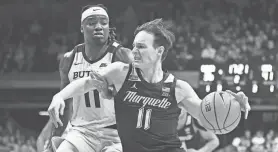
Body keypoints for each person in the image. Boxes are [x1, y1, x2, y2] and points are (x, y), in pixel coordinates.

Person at [47, 19, 251, 152]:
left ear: (159, 51)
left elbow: (208, 119)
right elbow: (85, 83)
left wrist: (232, 105)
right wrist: (59, 97)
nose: (134, 51)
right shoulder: (121, 72)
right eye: (134, 45)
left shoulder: (178, 88)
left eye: (141, 47)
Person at [37, 4, 132, 152]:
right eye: (92, 22)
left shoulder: (122, 55)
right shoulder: (69, 59)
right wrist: (53, 137)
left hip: (115, 133)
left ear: (109, 27)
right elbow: (66, 104)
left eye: (103, 22)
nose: (99, 26)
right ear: (82, 28)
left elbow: (137, 95)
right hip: (81, 132)